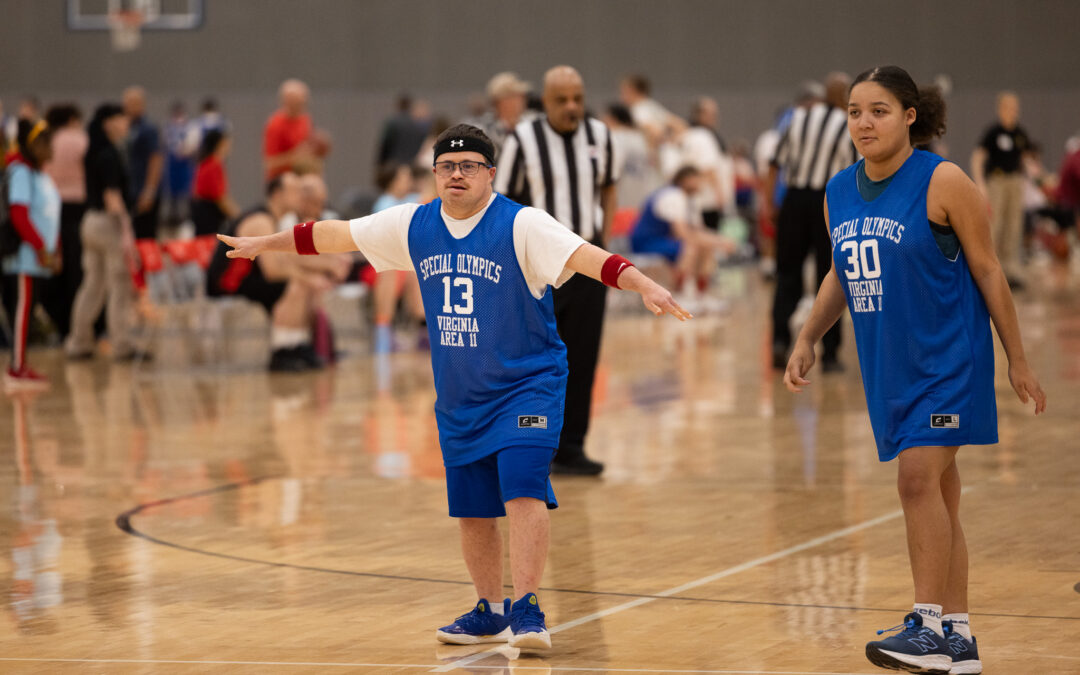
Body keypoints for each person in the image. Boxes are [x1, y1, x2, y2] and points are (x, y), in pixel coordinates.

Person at [217, 124, 687, 650]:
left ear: (490, 173)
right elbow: (335, 234)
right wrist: (266, 243)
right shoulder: (413, 223)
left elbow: (587, 257)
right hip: (462, 395)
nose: (456, 174)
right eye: (446, 166)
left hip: (528, 384)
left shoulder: (522, 224)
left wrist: (642, 282)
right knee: (472, 509)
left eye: (468, 166)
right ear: (435, 173)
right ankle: (490, 609)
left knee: (523, 487)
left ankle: (529, 609)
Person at [784, 65, 1046, 675]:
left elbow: (988, 270)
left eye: (878, 110)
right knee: (941, 499)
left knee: (915, 482)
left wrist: (1018, 359)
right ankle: (958, 637)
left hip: (950, 360)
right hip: (890, 368)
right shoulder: (838, 191)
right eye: (854, 112)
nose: (863, 122)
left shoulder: (944, 179)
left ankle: (926, 626)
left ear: (909, 116)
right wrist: (807, 335)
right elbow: (839, 274)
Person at [495, 65, 619, 476]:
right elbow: (505, 203)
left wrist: (603, 241)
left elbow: (609, 188)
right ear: (544, 102)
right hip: (538, 268)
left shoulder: (600, 136)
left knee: (583, 358)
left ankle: (572, 447)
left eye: (577, 98)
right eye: (562, 99)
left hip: (587, 264)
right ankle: (532, 445)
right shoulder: (522, 139)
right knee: (536, 362)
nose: (571, 107)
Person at [207, 172, 346, 371]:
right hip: (228, 283)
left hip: (249, 280)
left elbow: (285, 262)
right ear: (278, 194)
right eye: (295, 190)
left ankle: (296, 344)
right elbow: (273, 271)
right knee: (295, 285)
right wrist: (308, 278)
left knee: (302, 284)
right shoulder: (260, 220)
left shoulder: (273, 219)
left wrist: (313, 275)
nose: (300, 195)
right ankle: (281, 351)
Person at [766, 72, 856, 372]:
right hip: (828, 203)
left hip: (793, 200)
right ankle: (829, 355)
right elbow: (857, 172)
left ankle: (779, 341)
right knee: (830, 276)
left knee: (787, 274)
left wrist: (770, 203)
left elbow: (774, 163)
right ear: (844, 96)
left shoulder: (798, 117)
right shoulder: (849, 124)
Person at [65, 104, 144, 361]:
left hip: (89, 222)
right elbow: (113, 196)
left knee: (93, 285)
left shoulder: (95, 150)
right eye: (121, 118)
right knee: (119, 285)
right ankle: (122, 344)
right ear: (108, 122)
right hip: (108, 223)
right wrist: (126, 229)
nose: (126, 123)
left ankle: (79, 341)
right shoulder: (108, 153)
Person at [3, 119, 60, 389]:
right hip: (23, 257)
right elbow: (19, 215)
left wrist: (55, 248)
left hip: (39, 257)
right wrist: (39, 246)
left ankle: (21, 363)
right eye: (47, 144)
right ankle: (16, 368)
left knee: (28, 310)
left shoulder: (40, 174)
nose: (52, 149)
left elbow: (49, 215)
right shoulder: (20, 173)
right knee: (21, 311)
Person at [630, 165, 734, 305]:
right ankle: (679, 296)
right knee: (690, 248)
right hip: (646, 242)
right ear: (687, 180)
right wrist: (720, 242)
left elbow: (698, 231)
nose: (701, 183)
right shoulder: (673, 196)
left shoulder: (689, 200)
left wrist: (719, 241)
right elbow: (682, 233)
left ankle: (701, 296)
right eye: (698, 179)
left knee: (705, 247)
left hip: (663, 240)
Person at [970, 92, 1032, 289]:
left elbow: (1027, 160)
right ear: (1001, 109)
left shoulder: (1019, 133)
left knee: (1014, 225)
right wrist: (980, 183)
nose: (1013, 112)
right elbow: (978, 157)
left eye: (1015, 108)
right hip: (997, 182)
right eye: (1009, 108)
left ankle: (1010, 270)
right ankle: (989, 270)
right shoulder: (993, 133)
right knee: (994, 224)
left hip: (1015, 181)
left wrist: (1039, 179)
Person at [41, 103, 88, 339]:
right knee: (77, 268)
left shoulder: (48, 140)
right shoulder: (79, 140)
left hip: (51, 208)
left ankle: (61, 324)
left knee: (56, 265)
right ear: (71, 119)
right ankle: (79, 326)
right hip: (78, 208)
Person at [264, 79, 323, 181]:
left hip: (304, 178)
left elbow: (309, 149)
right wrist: (295, 156)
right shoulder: (275, 125)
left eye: (303, 101)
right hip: (283, 182)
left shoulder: (305, 119)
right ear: (286, 101)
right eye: (297, 102)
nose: (302, 105)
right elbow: (270, 163)